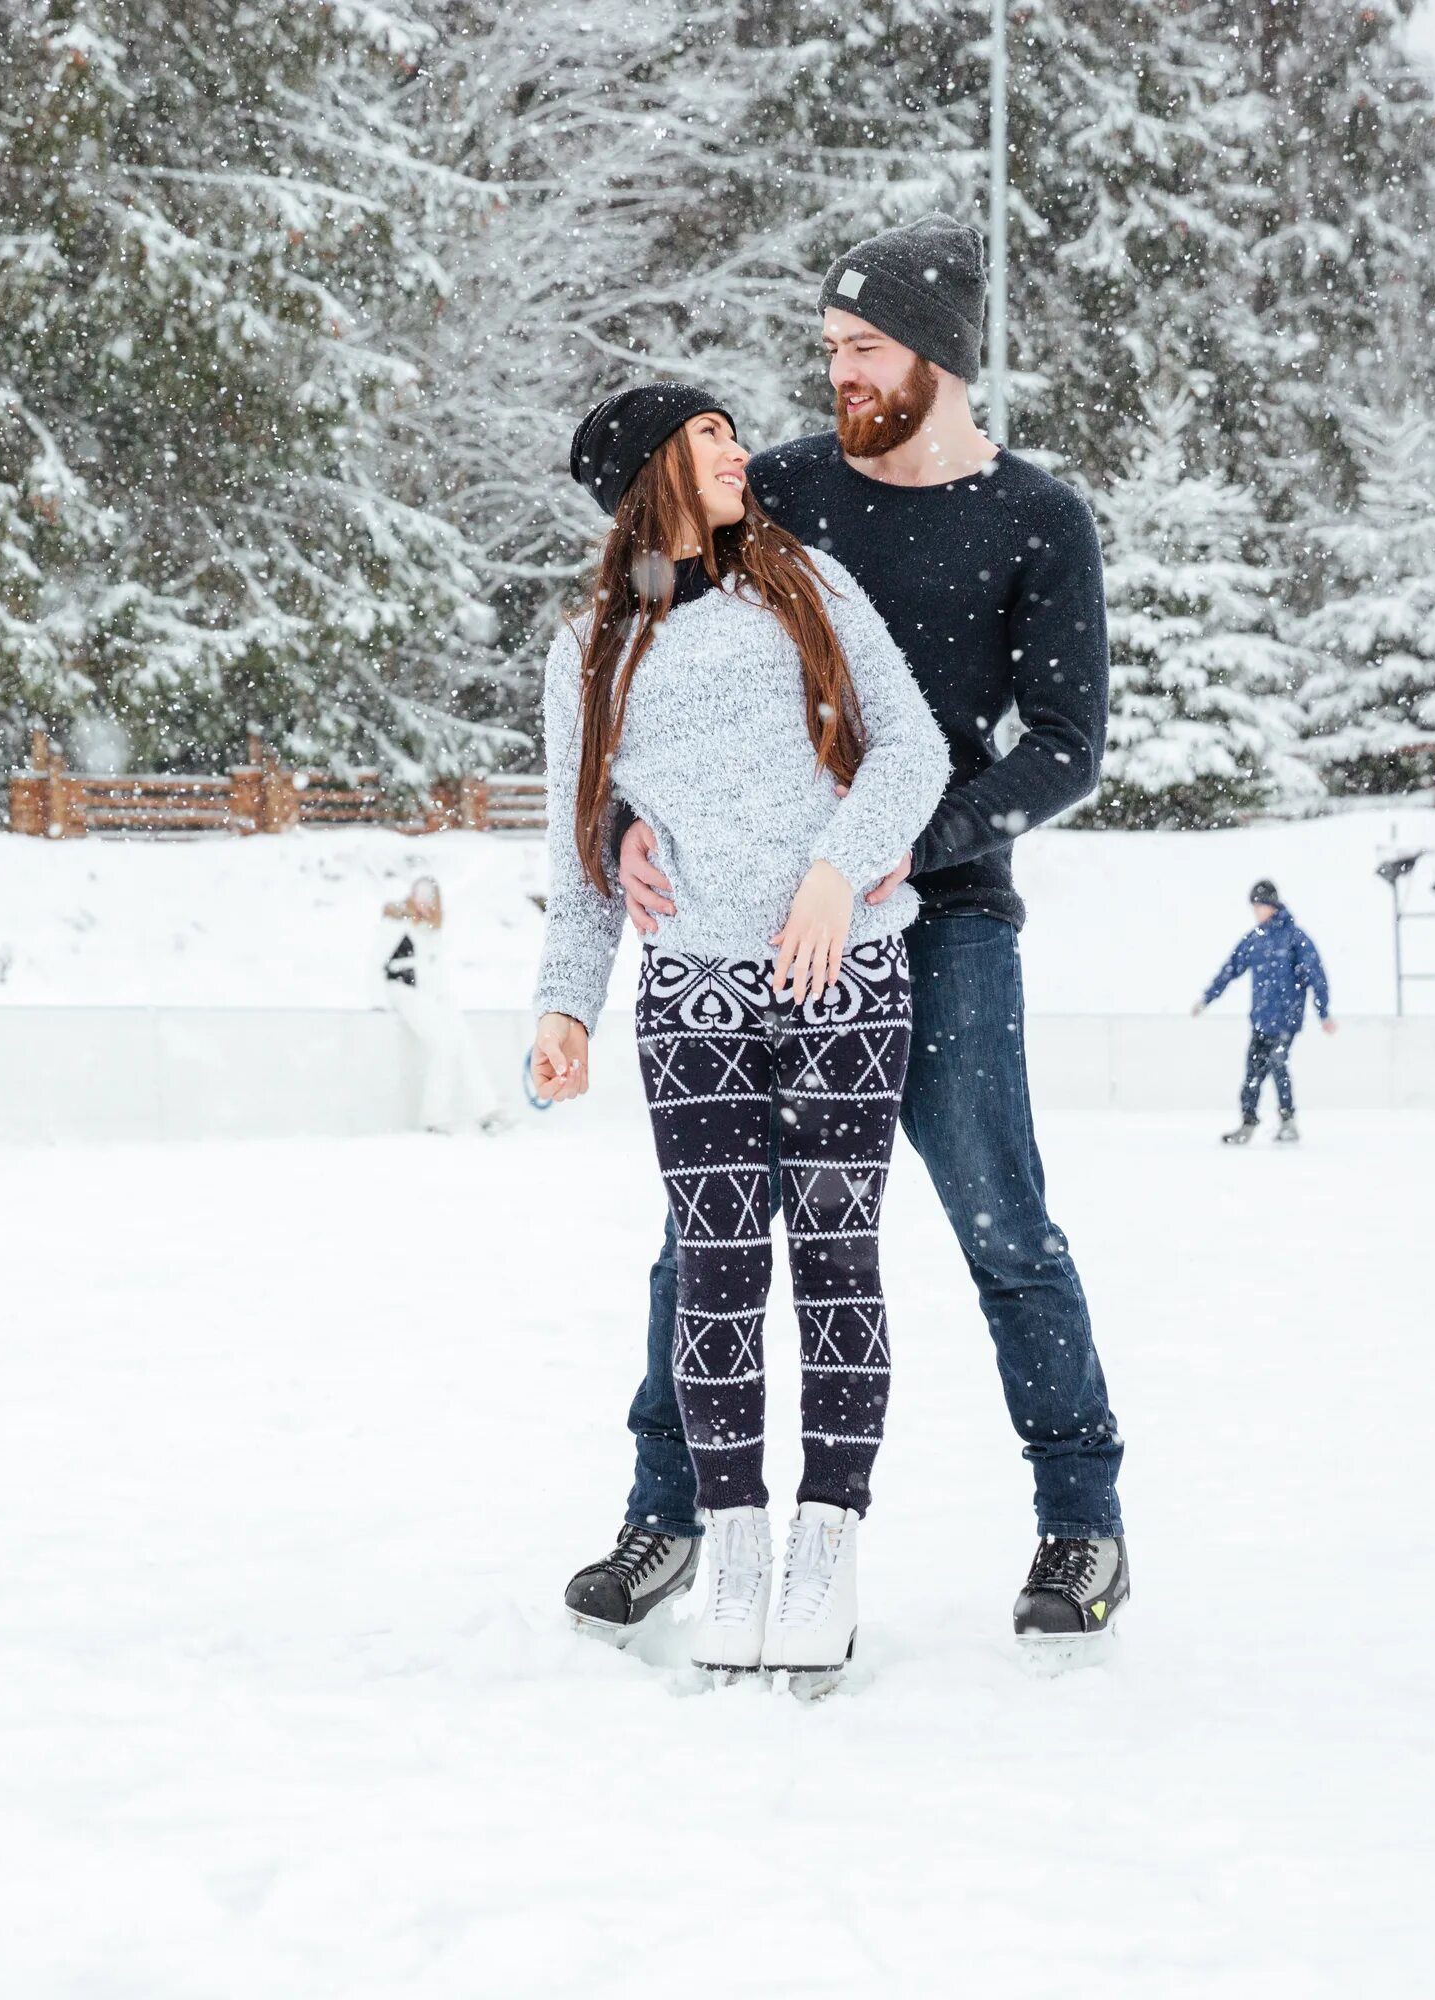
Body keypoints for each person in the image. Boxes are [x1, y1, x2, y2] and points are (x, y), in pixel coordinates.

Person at [566, 215, 1134, 1658]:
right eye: (828, 350)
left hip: (940, 921)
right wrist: (634, 822)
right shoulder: (792, 493)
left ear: (935, 352)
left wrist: (875, 861)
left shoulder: (1036, 518)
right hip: (753, 921)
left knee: (999, 1216)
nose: (835, 376)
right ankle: (672, 1514)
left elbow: (1063, 747)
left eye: (861, 349)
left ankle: (1082, 1517)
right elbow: (660, 661)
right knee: (708, 1234)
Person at [531, 380, 950, 1681]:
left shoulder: (804, 582)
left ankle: (830, 1534)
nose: (737, 450)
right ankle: (736, 1537)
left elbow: (915, 753)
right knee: (714, 1267)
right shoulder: (592, 644)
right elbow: (579, 843)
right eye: (708, 435)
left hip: (845, 974)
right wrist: (564, 1003)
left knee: (834, 1250)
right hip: (695, 994)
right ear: (651, 469)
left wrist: (837, 870)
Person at [1195, 877, 1335, 1144]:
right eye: (1254, 907)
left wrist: (1323, 1012)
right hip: (1261, 1018)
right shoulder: (1255, 940)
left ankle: (1288, 1120)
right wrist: (1207, 997)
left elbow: (1316, 975)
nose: (1256, 912)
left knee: (1278, 1063)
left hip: (1286, 1017)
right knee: (1253, 1071)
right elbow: (1231, 968)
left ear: (1271, 905)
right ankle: (1248, 1122)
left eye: (1259, 906)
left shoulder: (1295, 939)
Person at [379, 876, 503, 1134]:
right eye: (419, 897)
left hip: (434, 997)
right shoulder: (398, 923)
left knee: (463, 1041)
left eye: (428, 898)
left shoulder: (431, 930)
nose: (423, 903)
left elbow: (435, 973)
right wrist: (379, 1002)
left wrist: (443, 1000)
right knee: (444, 1045)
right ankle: (434, 1118)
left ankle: (486, 1110)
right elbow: (379, 965)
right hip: (405, 994)